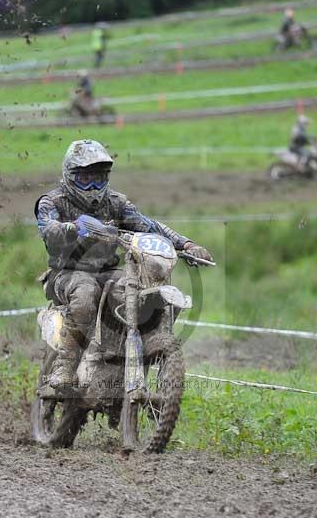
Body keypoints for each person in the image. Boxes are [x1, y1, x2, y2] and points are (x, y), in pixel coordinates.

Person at [35, 139, 213, 391]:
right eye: (86, 179)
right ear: (70, 175)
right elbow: (48, 229)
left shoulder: (115, 203)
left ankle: (124, 358)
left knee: (136, 297)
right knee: (86, 295)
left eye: (99, 178)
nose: (93, 185)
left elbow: (148, 225)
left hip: (109, 272)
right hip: (67, 273)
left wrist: (185, 245)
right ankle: (65, 365)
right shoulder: (52, 202)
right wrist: (74, 227)